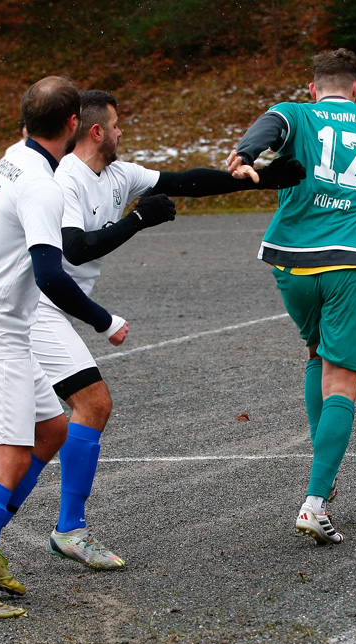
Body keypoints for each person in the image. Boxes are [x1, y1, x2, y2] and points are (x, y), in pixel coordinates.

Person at [30, 89, 305, 569]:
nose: (121, 133)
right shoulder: (66, 181)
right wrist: (138, 219)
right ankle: (66, 529)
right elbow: (75, 250)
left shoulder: (118, 173)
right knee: (89, 406)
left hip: (51, 308)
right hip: (38, 307)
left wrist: (261, 180)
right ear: (96, 131)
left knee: (28, 432)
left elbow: (189, 182)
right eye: (115, 126)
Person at [0, 76, 129, 619]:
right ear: (72, 126)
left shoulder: (10, 159)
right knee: (10, 454)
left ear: (24, 122)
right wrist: (106, 322)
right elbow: (50, 275)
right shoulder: (41, 183)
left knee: (51, 429)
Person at [226, 48, 356, 545]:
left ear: (313, 88)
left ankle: (324, 475)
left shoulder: (296, 113)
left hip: (291, 264)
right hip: (350, 264)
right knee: (344, 380)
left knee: (317, 354)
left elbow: (268, 126)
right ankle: (315, 502)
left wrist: (246, 155)